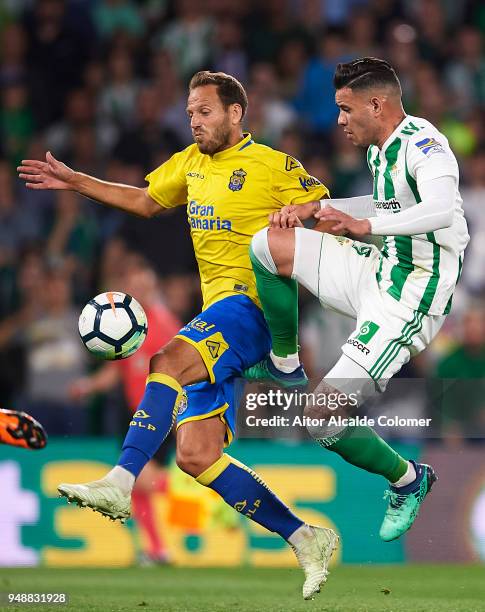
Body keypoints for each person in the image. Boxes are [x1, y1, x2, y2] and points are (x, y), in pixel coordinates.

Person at [18, 71, 338, 599]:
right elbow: (146, 201)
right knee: (196, 456)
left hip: (254, 307)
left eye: (205, 112)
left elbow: (323, 210)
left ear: (236, 113)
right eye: (190, 113)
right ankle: (306, 537)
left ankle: (120, 481)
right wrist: (78, 181)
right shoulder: (190, 164)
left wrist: (300, 215)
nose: (195, 121)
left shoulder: (272, 165)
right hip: (218, 316)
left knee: (165, 359)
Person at [247, 57, 469, 542]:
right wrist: (320, 208)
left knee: (320, 417)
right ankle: (284, 361)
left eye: (346, 110)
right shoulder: (377, 150)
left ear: (377, 103)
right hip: (377, 269)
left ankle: (408, 480)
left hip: (409, 300)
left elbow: (438, 208)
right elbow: (388, 204)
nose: (340, 121)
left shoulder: (426, 146)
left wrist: (364, 227)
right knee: (269, 244)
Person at [69, 256, 181, 564]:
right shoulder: (125, 326)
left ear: (152, 284)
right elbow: (115, 373)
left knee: (142, 480)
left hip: (162, 416)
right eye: (132, 283)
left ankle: (205, 497)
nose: (137, 288)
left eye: (142, 281)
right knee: (137, 487)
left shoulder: (166, 324)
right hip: (134, 416)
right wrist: (88, 386)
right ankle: (157, 550)